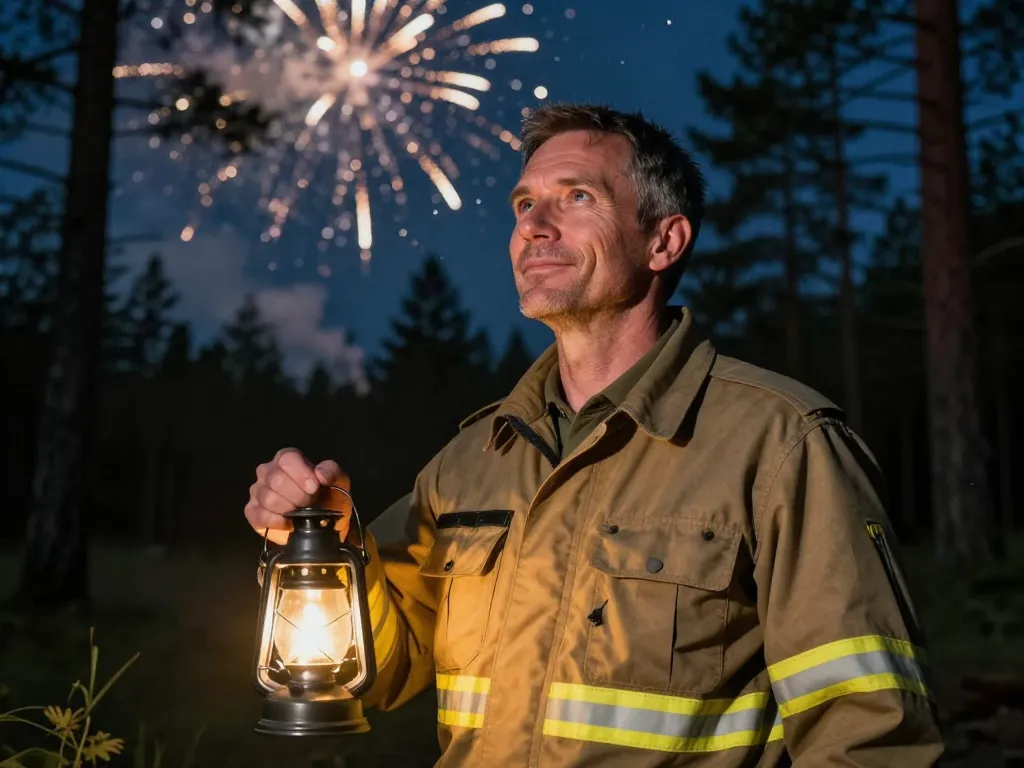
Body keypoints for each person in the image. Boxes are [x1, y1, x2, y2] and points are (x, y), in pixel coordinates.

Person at [244, 104, 942, 766]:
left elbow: (867, 734)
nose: (534, 226)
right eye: (524, 204)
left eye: (576, 197)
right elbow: (383, 672)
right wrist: (328, 544)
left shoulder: (780, 444)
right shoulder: (469, 462)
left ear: (664, 241)